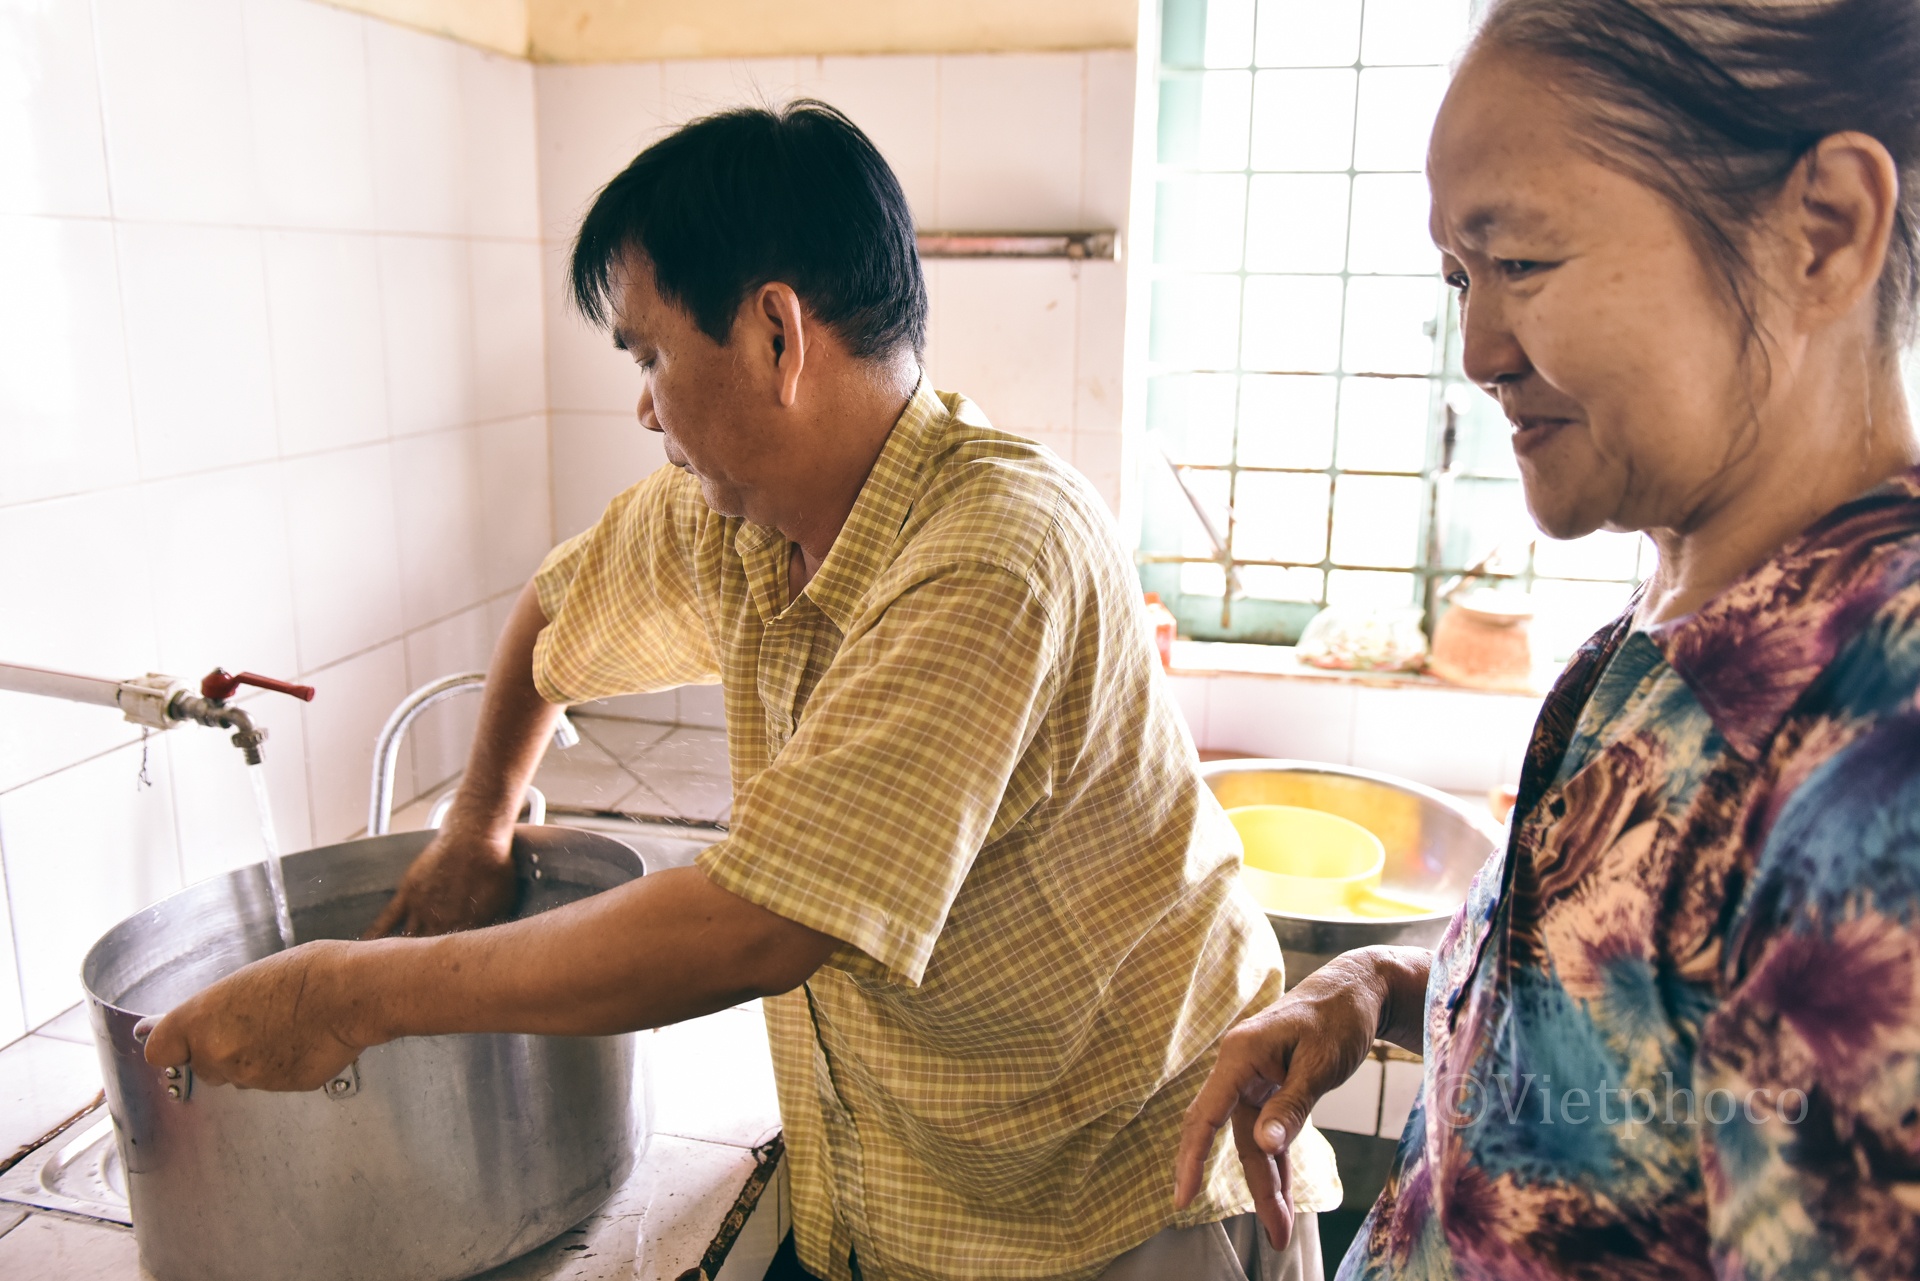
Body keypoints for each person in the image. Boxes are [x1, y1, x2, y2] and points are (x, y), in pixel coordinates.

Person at [139, 103, 1340, 1281]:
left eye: (653, 353)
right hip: (904, 1199)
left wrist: (351, 998)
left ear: (776, 335)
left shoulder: (998, 551)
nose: (646, 403)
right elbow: (557, 614)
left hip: (1122, 1207)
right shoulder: (739, 521)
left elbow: (756, 924)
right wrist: (476, 823)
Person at [1175, 0, 1920, 1275]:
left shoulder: (1874, 779)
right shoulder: (1672, 632)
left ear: (1824, 232)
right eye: (1460, 279)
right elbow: (1626, 1032)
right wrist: (1385, 990)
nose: (1477, 349)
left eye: (1522, 264)